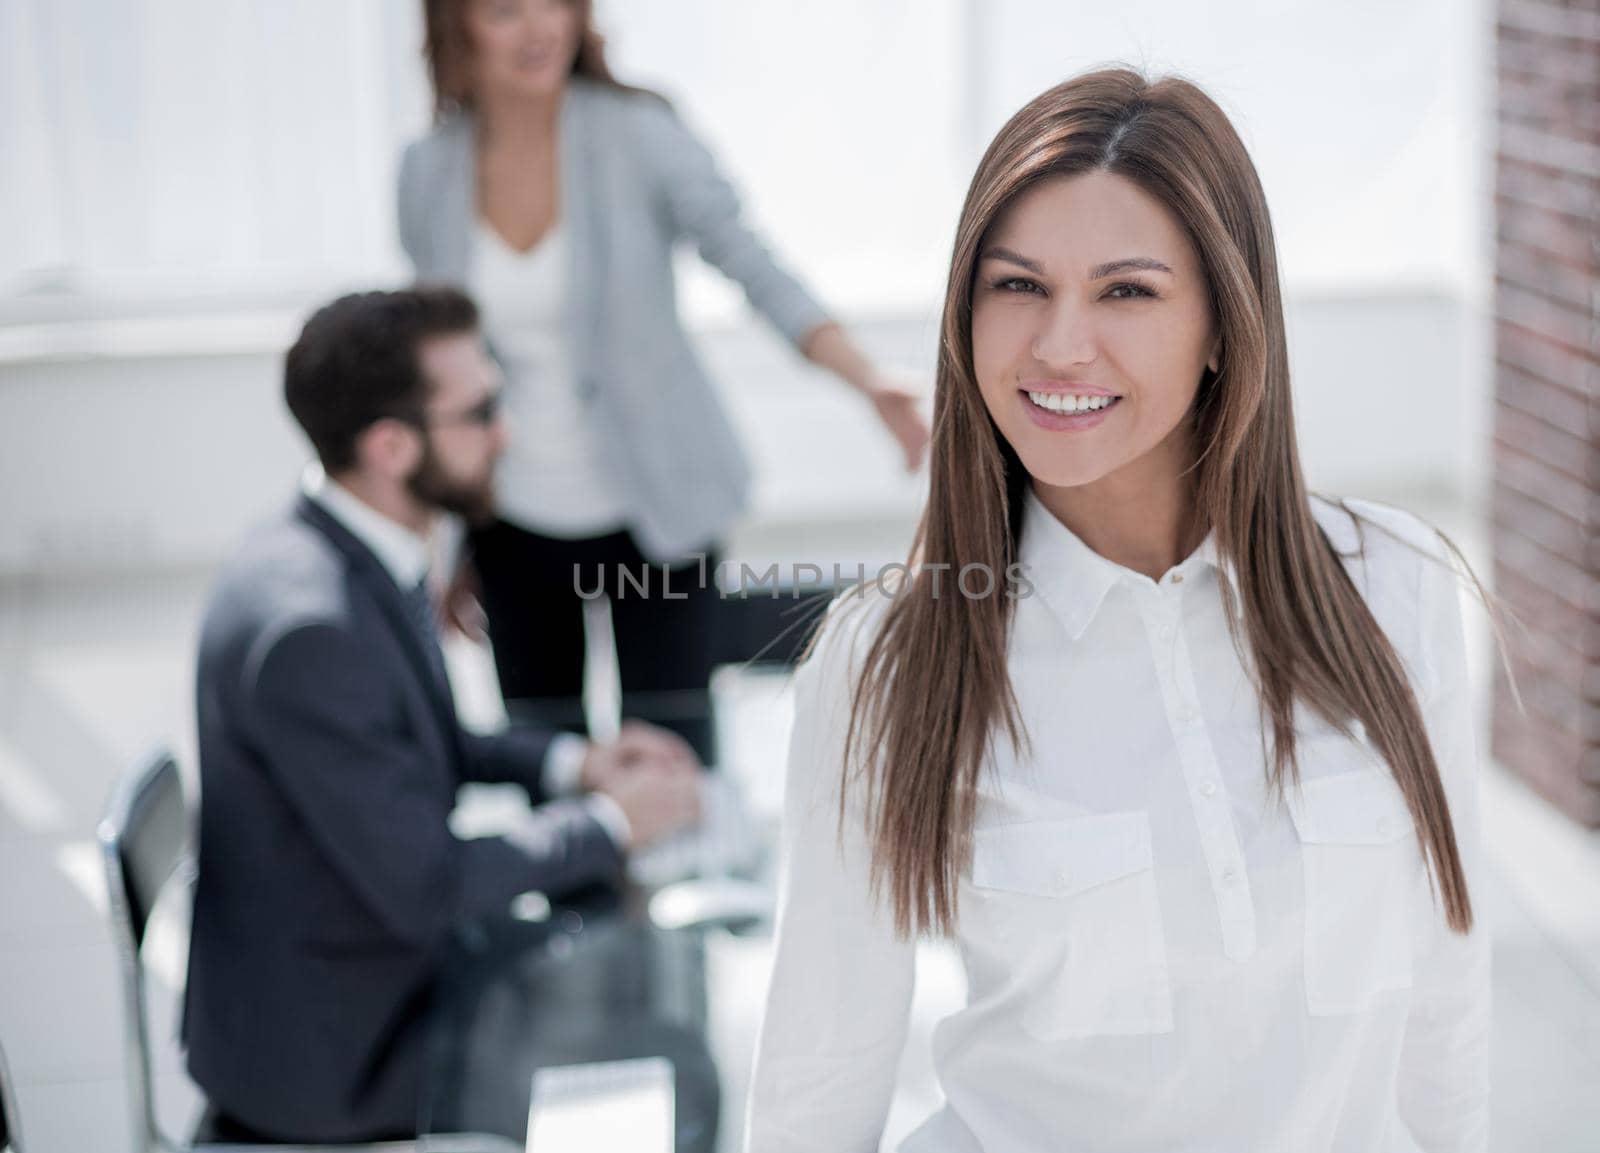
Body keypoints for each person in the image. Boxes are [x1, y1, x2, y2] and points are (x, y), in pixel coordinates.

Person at [747, 69, 1490, 1152]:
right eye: (1016, 286)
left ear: (1224, 326)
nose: (1057, 345)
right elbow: (818, 1080)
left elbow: (1446, 1004)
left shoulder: (1395, 585)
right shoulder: (884, 663)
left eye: (1126, 292)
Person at [183, 287, 703, 1143]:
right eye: (482, 411)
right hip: (345, 1052)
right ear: (391, 446)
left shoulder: (338, 544)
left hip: (367, 965)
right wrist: (614, 820)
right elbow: (427, 886)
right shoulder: (313, 626)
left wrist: (576, 765)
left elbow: (419, 741)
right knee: (671, 1047)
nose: (506, 433)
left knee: (642, 978)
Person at [397, 0, 932, 763]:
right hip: (509, 518)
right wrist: (445, 540)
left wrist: (866, 378)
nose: (540, 27)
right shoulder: (427, 171)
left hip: (657, 511)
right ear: (456, 27)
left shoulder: (638, 132)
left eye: (555, 2)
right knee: (548, 761)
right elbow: (436, 378)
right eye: (505, 10)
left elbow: (749, 260)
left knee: (676, 754)